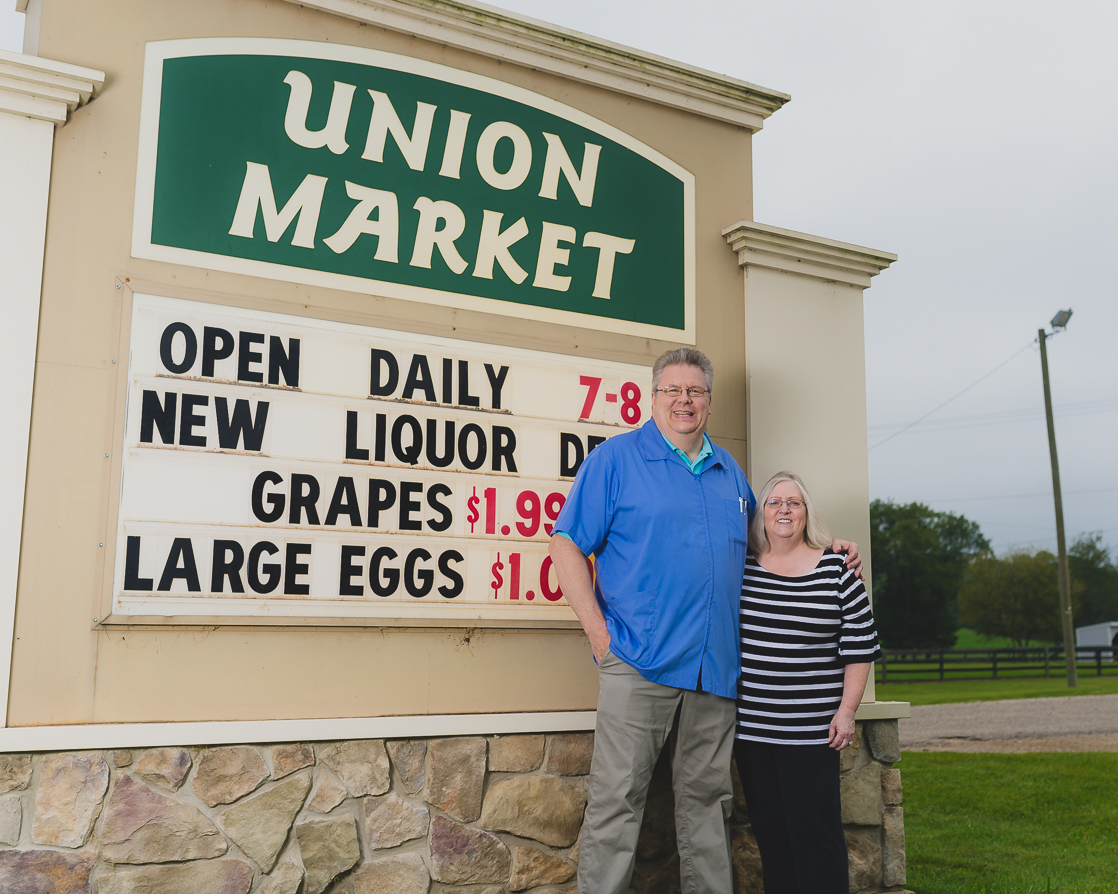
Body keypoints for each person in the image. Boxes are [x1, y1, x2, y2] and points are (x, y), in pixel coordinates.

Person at [549, 348, 861, 894]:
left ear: (709, 402)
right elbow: (566, 544)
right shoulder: (616, 461)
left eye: (694, 391)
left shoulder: (730, 476)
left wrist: (822, 543)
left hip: (714, 673)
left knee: (708, 812)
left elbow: (765, 546)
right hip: (638, 664)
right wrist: (602, 640)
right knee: (616, 804)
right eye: (672, 390)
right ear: (654, 397)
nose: (683, 401)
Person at [735, 471, 881, 894]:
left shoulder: (836, 567)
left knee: (816, 837)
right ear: (760, 513)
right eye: (774, 502)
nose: (783, 510)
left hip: (812, 732)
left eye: (793, 503)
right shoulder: (741, 567)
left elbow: (860, 645)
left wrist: (847, 712)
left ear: (806, 513)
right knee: (773, 839)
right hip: (753, 732)